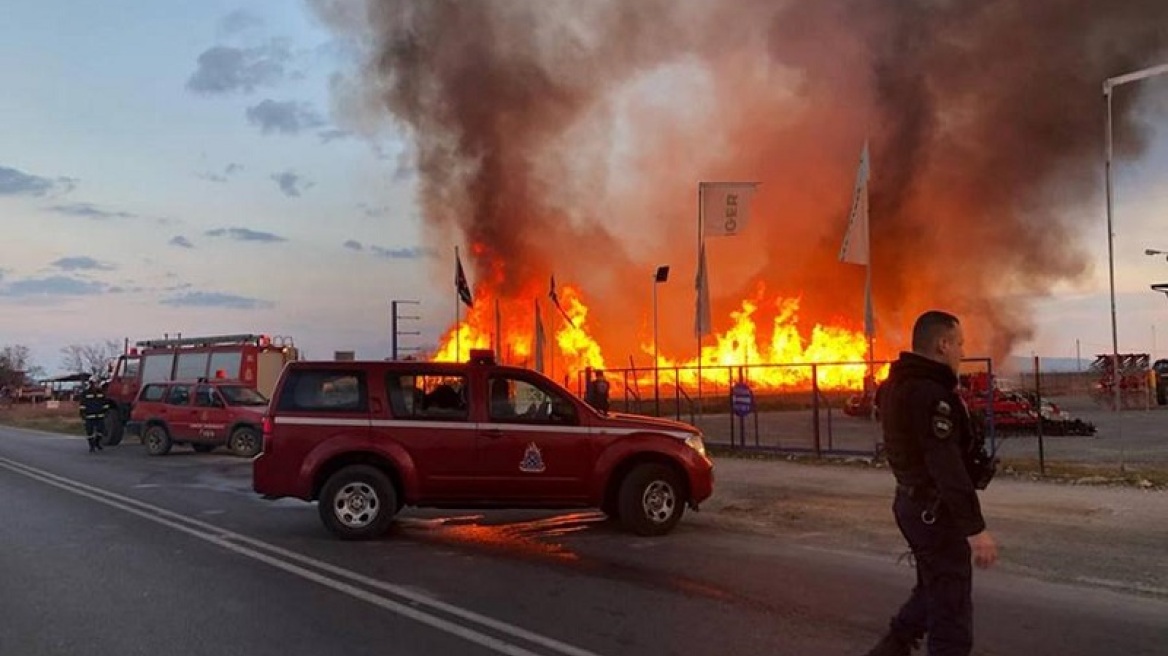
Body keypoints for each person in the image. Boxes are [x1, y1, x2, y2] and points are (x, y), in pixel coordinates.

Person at [862, 310, 999, 656]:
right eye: (959, 343)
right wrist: (975, 529)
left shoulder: (896, 385)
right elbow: (945, 465)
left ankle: (892, 647)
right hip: (934, 511)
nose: (962, 352)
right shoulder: (930, 394)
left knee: (933, 585)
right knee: (951, 605)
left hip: (911, 504)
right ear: (942, 344)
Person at [79, 380, 112, 453]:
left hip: (99, 416)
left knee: (101, 431)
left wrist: (106, 411)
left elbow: (105, 403)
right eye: (95, 384)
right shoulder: (85, 393)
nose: (97, 385)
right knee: (90, 433)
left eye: (97, 383)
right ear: (91, 384)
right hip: (89, 416)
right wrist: (83, 415)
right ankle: (91, 446)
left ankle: (97, 442)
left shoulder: (101, 393)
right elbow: (82, 405)